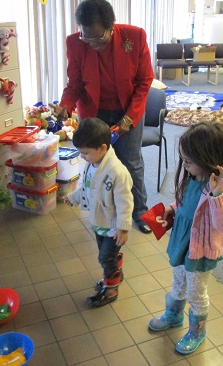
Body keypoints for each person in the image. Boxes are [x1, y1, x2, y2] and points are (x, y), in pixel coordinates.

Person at [50, 0, 154, 233]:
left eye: (99, 37)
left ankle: (140, 213)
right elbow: (74, 83)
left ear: (111, 27)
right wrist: (65, 104)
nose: (92, 43)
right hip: (94, 112)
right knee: (95, 162)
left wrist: (129, 117)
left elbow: (145, 80)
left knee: (131, 162)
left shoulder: (134, 37)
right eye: (87, 37)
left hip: (128, 110)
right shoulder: (75, 43)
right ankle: (105, 210)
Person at [148, 122, 223, 355]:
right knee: (178, 283)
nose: (185, 165)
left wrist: (218, 194)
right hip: (183, 243)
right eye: (184, 160)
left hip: (201, 251)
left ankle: (197, 331)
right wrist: (172, 208)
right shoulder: (192, 178)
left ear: (208, 158)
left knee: (196, 293)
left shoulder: (217, 188)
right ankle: (173, 315)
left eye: (188, 161)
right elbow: (186, 203)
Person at [65, 118, 133, 308]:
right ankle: (115, 267)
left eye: (85, 153)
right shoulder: (92, 164)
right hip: (98, 223)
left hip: (113, 227)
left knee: (104, 258)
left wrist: (123, 227)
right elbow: (88, 187)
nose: (83, 157)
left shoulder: (117, 172)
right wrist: (75, 197)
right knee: (107, 256)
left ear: (103, 148)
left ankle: (111, 288)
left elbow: (125, 203)